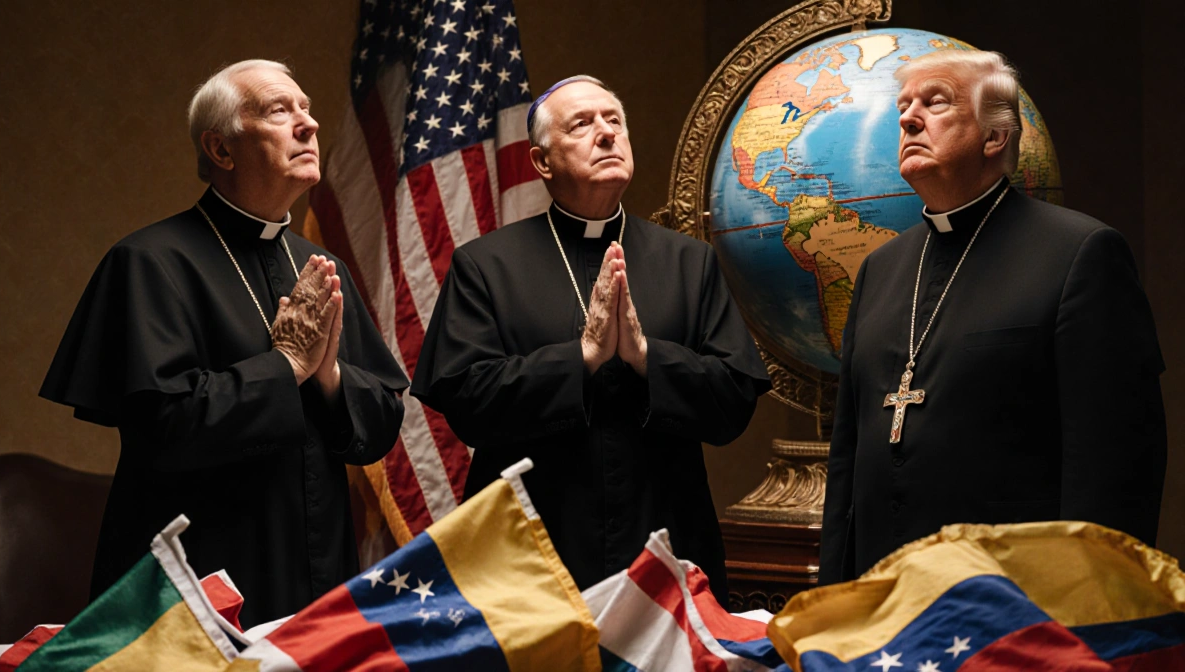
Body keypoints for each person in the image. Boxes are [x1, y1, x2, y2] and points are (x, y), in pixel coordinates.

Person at [40, 60, 408, 625]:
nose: (307, 124)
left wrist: (329, 375)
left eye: (306, 108)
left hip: (318, 573)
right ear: (221, 149)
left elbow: (380, 423)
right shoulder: (148, 263)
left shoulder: (323, 267)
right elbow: (164, 426)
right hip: (197, 584)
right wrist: (284, 366)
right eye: (278, 110)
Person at [410, 75, 770, 601]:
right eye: (582, 124)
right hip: (532, 554)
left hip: (667, 542)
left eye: (614, 120)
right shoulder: (485, 265)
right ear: (541, 162)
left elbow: (734, 399)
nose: (606, 134)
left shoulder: (688, 262)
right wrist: (579, 360)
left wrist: (647, 359)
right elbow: (467, 400)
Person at [818, 50, 1166, 584]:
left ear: (994, 137)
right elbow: (846, 458)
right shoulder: (879, 269)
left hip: (1013, 607)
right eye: (904, 107)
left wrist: (1079, 618)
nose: (909, 118)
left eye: (936, 102)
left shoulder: (1080, 254)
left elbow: (1113, 468)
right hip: (880, 606)